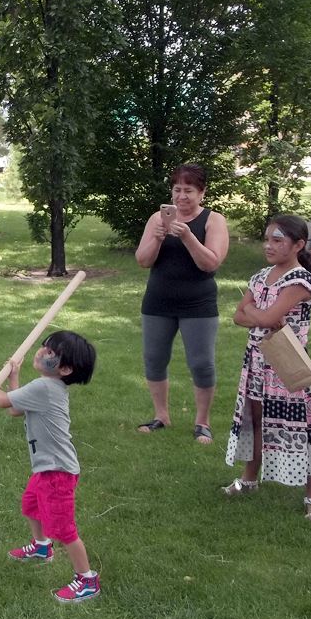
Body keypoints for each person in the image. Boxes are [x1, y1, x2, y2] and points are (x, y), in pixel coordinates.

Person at [0, 331, 100, 603]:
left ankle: (87, 580)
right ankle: (41, 547)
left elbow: (2, 402)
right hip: (47, 468)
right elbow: (15, 408)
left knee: (64, 528)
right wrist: (13, 378)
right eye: (44, 346)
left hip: (57, 472)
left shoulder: (45, 388)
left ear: (65, 368)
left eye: (50, 352)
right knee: (31, 505)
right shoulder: (46, 386)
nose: (41, 351)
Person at [224, 215, 311, 521]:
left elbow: (263, 318)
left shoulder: (300, 280)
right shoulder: (261, 276)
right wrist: (259, 313)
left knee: (299, 427)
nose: (268, 245)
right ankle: (250, 477)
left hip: (285, 363)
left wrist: (254, 311)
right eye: (267, 239)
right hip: (256, 360)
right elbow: (237, 317)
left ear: (298, 245)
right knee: (254, 418)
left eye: (277, 240)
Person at [135, 164, 229, 443]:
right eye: (177, 190)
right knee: (154, 360)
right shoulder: (157, 219)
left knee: (201, 363)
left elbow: (210, 264)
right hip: (157, 301)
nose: (182, 196)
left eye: (188, 190)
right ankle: (161, 416)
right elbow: (142, 261)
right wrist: (156, 238)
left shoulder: (214, 221)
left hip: (197, 304)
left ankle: (203, 422)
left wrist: (188, 236)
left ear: (202, 192)